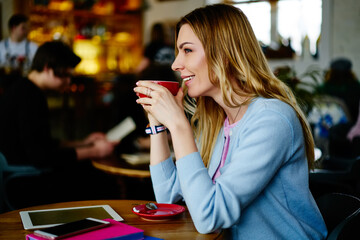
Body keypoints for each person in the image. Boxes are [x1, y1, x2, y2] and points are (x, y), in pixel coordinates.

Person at [134, 4, 327, 239]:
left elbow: (209, 218)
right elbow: (168, 200)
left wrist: (179, 126)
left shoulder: (271, 119)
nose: (175, 64)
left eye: (187, 50)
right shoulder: (219, 121)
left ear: (223, 53)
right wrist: (157, 125)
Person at [0, 41, 119, 208]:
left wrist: (84, 142)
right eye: (65, 74)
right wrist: (95, 150)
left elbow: (43, 143)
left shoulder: (24, 89)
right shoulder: (30, 97)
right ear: (48, 68)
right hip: (24, 182)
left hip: (24, 173)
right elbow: (42, 157)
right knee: (102, 181)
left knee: (92, 172)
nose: (69, 81)